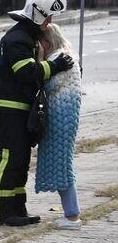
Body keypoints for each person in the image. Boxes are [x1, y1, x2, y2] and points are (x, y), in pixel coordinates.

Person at [0, 0, 74, 226]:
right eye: (48, 17)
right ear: (37, 14)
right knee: (9, 157)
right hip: (8, 106)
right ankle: (0, 213)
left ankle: (16, 210)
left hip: (19, 106)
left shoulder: (28, 36)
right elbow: (25, 72)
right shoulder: (18, 39)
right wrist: (54, 66)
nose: (50, 22)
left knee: (20, 160)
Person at [34, 23, 83, 230]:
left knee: (62, 167)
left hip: (60, 119)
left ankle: (72, 216)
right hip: (65, 118)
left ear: (47, 41)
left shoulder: (59, 59)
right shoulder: (66, 56)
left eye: (41, 42)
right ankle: (71, 213)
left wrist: (39, 61)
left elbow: (49, 84)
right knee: (63, 165)